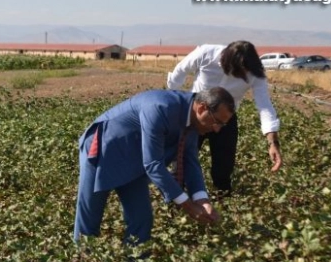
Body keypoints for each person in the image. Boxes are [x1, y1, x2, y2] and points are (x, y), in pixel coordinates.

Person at [73, 87, 235, 245]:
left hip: (136, 158)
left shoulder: (194, 123)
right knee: (90, 217)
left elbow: (190, 161)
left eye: (222, 125)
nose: (217, 130)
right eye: (217, 122)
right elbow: (153, 164)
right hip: (105, 148)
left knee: (141, 219)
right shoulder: (160, 107)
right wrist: (187, 205)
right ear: (201, 108)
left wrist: (202, 200)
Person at [166, 41, 282, 196]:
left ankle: (223, 202)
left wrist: (272, 142)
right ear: (225, 61)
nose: (239, 75)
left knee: (223, 168)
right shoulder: (206, 53)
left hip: (226, 120)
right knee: (181, 162)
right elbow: (179, 72)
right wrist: (177, 105)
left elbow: (264, 106)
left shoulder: (255, 72)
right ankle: (176, 201)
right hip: (196, 115)